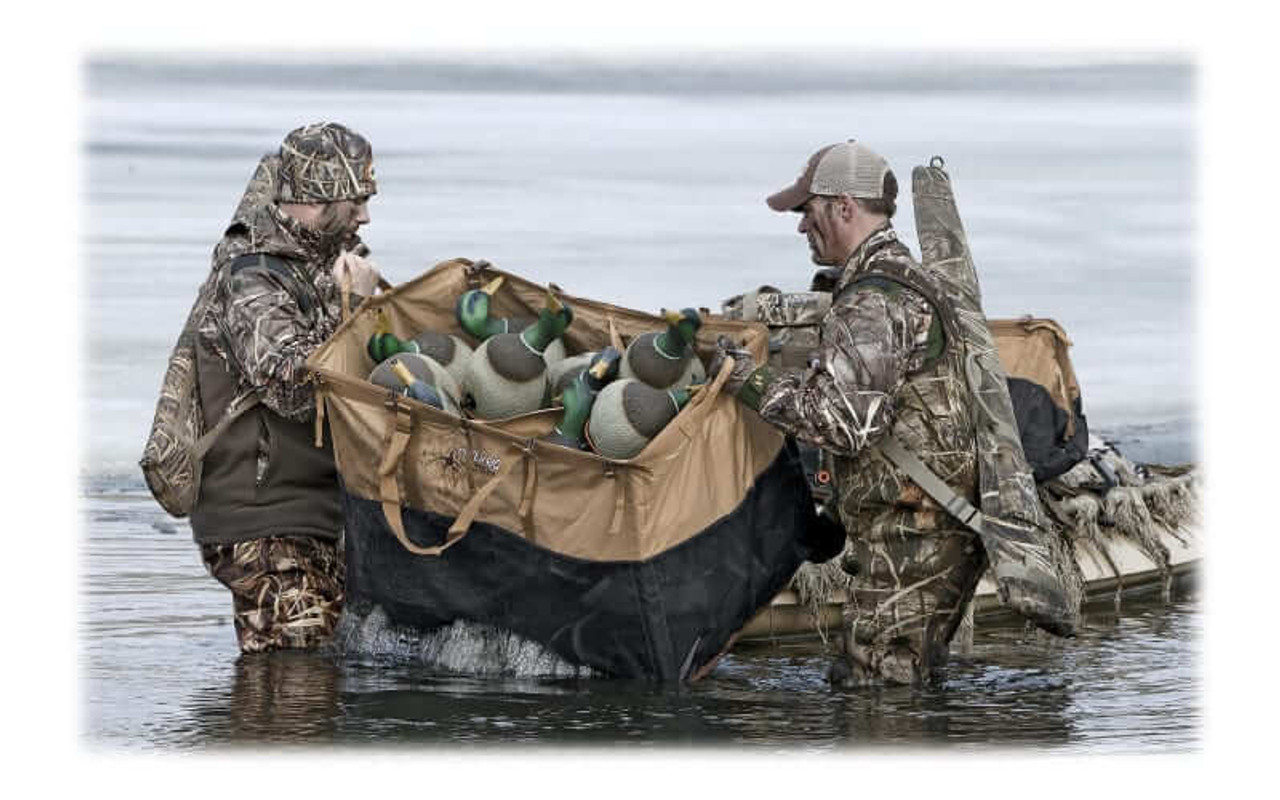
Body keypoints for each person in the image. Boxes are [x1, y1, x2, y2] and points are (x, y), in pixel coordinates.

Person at [710, 140, 990, 687]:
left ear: (843, 207)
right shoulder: (904, 279)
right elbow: (900, 413)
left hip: (913, 539)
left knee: (880, 696)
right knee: (898, 684)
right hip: (928, 529)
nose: (800, 228)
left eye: (807, 213)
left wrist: (744, 378)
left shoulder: (874, 299)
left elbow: (842, 422)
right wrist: (837, 515)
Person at [191, 122, 382, 653]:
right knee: (291, 675)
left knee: (314, 675)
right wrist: (356, 310)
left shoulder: (323, 268)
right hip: (262, 517)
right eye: (356, 199)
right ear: (319, 197)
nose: (365, 215)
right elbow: (294, 390)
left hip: (315, 512)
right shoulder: (251, 278)